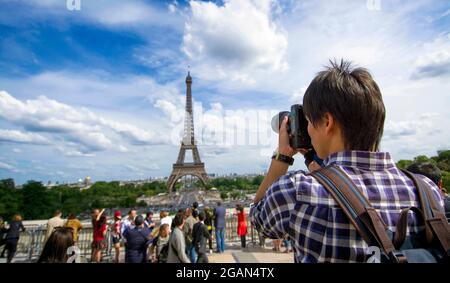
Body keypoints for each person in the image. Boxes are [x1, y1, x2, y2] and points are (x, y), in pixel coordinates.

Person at [250, 59, 446, 263]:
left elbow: (258, 218)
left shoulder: (297, 191)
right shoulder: (427, 191)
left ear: (327, 122)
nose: (308, 129)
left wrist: (282, 157)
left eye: (308, 121)